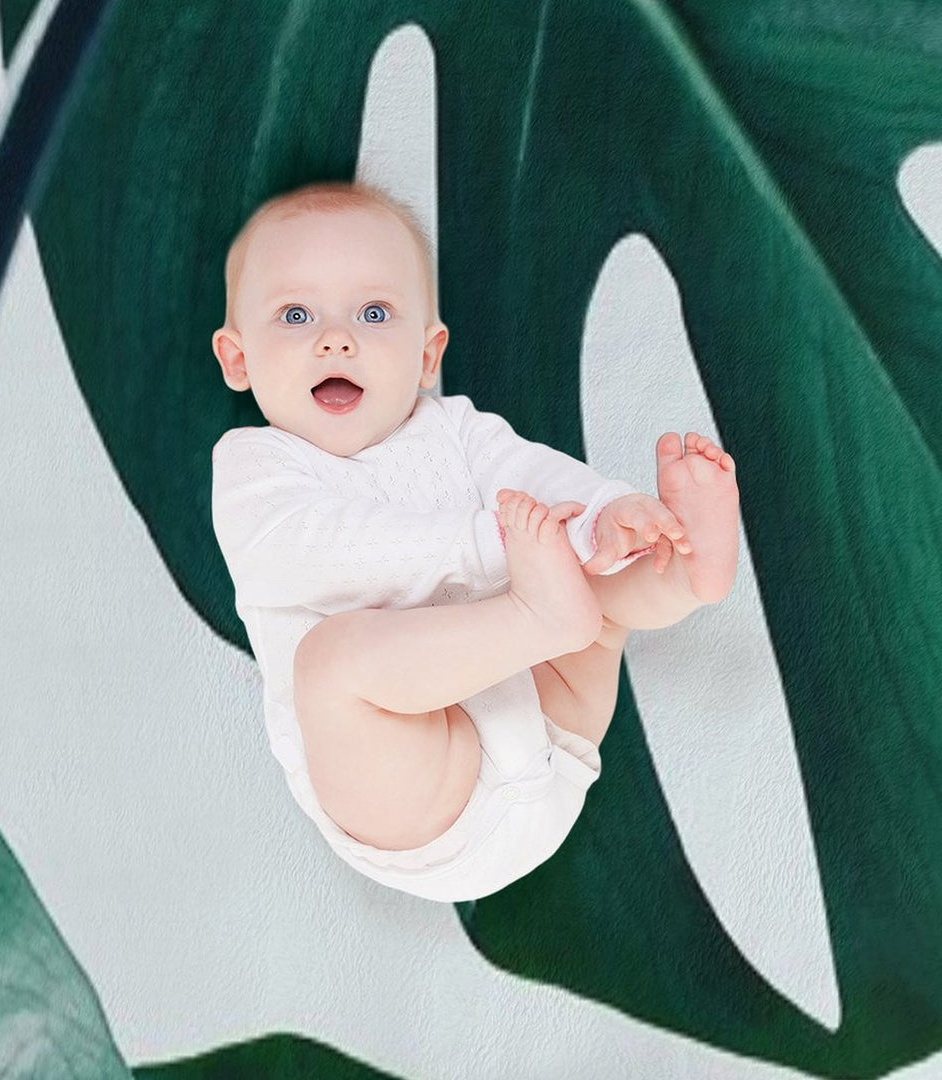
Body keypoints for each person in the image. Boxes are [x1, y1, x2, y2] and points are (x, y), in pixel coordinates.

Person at [210, 180, 740, 902]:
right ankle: (545, 615)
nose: (337, 338)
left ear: (427, 354)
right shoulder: (256, 467)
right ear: (238, 359)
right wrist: (492, 545)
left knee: (596, 589)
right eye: (296, 314)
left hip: (552, 728)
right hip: (423, 795)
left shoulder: (455, 429)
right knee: (331, 664)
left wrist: (606, 514)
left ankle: (679, 574)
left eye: (374, 312)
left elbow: (532, 475)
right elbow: (318, 554)